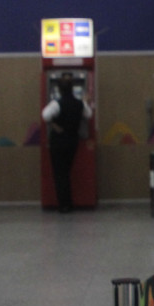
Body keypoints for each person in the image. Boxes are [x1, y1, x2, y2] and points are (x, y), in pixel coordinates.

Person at [41, 77, 92, 214]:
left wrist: (53, 124)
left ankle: (64, 205)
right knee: (66, 172)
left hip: (58, 142)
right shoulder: (79, 104)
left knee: (59, 174)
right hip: (73, 141)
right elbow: (88, 114)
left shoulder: (56, 103)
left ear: (58, 89)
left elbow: (45, 115)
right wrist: (84, 102)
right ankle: (68, 203)